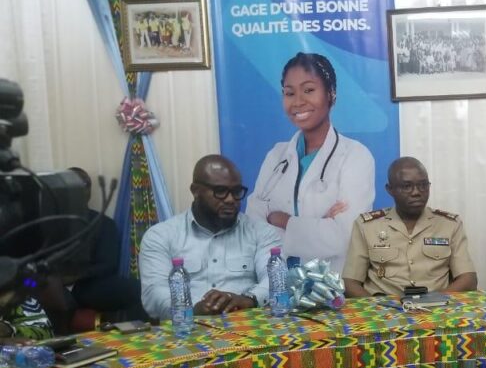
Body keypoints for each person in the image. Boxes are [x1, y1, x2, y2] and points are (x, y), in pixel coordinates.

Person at [248, 52, 374, 273]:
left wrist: (282, 220)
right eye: (289, 93)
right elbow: (253, 228)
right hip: (275, 282)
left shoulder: (355, 156)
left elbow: (342, 238)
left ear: (331, 94)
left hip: (331, 284)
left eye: (309, 90)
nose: (298, 102)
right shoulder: (276, 156)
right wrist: (318, 226)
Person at [139, 155, 281, 320]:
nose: (231, 199)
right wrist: (192, 310)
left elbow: (276, 280)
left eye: (236, 192)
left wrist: (249, 299)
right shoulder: (161, 236)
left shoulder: (262, 232)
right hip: (187, 328)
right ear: (195, 191)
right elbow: (154, 294)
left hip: (247, 325)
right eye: (220, 191)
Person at [343, 157, 477, 297]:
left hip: (436, 304)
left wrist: (433, 301)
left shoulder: (450, 225)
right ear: (390, 190)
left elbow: (468, 279)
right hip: (383, 306)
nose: (416, 192)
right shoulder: (367, 226)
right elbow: (350, 282)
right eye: (407, 186)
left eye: (423, 185)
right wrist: (377, 307)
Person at [65, 168, 148, 323]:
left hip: (86, 285)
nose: (83, 189)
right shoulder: (47, 223)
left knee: (137, 288)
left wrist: (77, 276)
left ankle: (134, 331)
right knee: (31, 285)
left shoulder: (103, 223)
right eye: (74, 185)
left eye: (86, 184)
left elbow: (108, 264)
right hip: (51, 286)